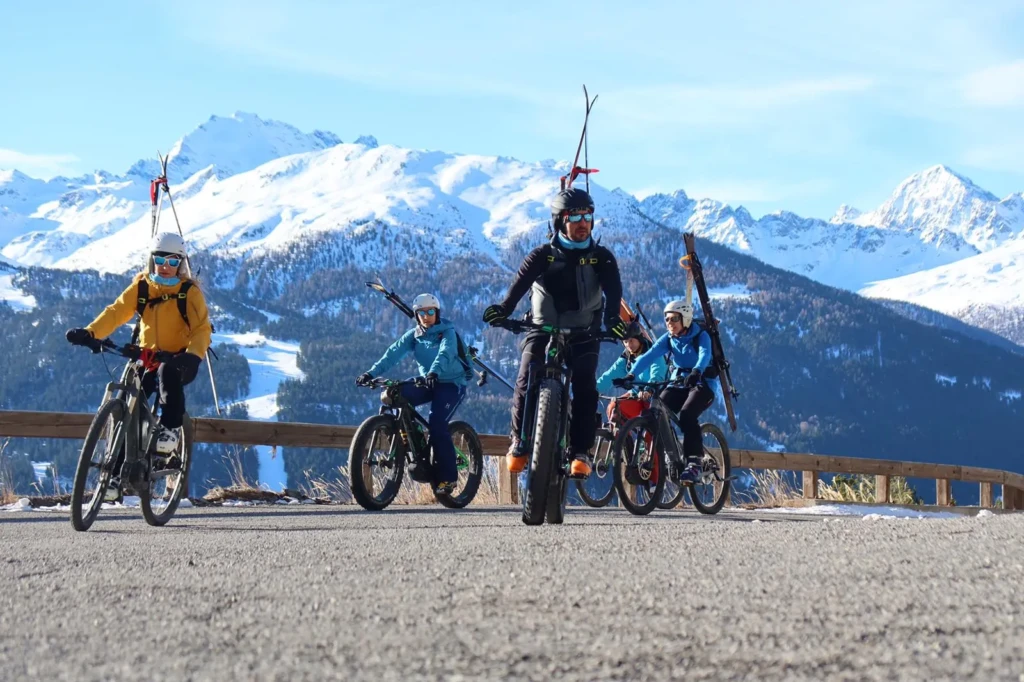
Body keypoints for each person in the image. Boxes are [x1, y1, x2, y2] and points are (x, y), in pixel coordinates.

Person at [482, 186, 627, 479]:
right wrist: (504, 310)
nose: (583, 223)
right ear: (560, 221)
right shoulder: (543, 255)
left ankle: (580, 452)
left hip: (584, 329)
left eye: (587, 216)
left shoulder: (602, 258)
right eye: (575, 217)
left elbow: (613, 292)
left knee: (585, 385)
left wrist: (612, 320)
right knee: (526, 375)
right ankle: (519, 442)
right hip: (543, 325)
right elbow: (520, 285)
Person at [65, 232, 212, 498]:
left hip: (179, 360)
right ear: (151, 259)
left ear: (181, 262)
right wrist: (91, 333)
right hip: (145, 357)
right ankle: (114, 476)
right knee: (125, 409)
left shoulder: (188, 293)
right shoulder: (142, 287)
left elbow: (202, 328)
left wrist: (193, 355)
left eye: (172, 260)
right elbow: (116, 311)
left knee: (168, 376)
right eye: (159, 258)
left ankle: (170, 429)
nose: (165, 265)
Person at [356, 293, 470, 495]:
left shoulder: (448, 332)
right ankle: (409, 436)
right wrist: (370, 373)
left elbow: (446, 353)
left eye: (430, 312)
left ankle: (449, 479)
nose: (426, 316)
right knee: (394, 394)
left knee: (437, 424)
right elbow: (392, 354)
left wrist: (435, 371)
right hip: (429, 381)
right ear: (416, 316)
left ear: (437, 313)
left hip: (451, 383)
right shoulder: (414, 336)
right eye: (421, 313)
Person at [622, 299, 719, 483]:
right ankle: (671, 456)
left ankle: (694, 463)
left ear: (686, 319)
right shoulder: (669, 338)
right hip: (679, 381)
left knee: (687, 415)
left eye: (674, 319)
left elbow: (705, 355)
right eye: (667, 319)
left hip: (703, 383)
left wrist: (697, 371)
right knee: (656, 412)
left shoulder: (701, 336)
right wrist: (631, 375)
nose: (669, 323)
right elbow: (649, 355)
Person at [596, 319, 667, 425]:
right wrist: (594, 390)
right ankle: (621, 440)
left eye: (631, 340)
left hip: (656, 397)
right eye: (625, 342)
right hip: (636, 396)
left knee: (651, 430)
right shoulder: (626, 358)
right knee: (614, 407)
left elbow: (657, 374)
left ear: (639, 339)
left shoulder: (653, 353)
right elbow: (610, 375)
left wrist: (649, 390)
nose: (629, 345)